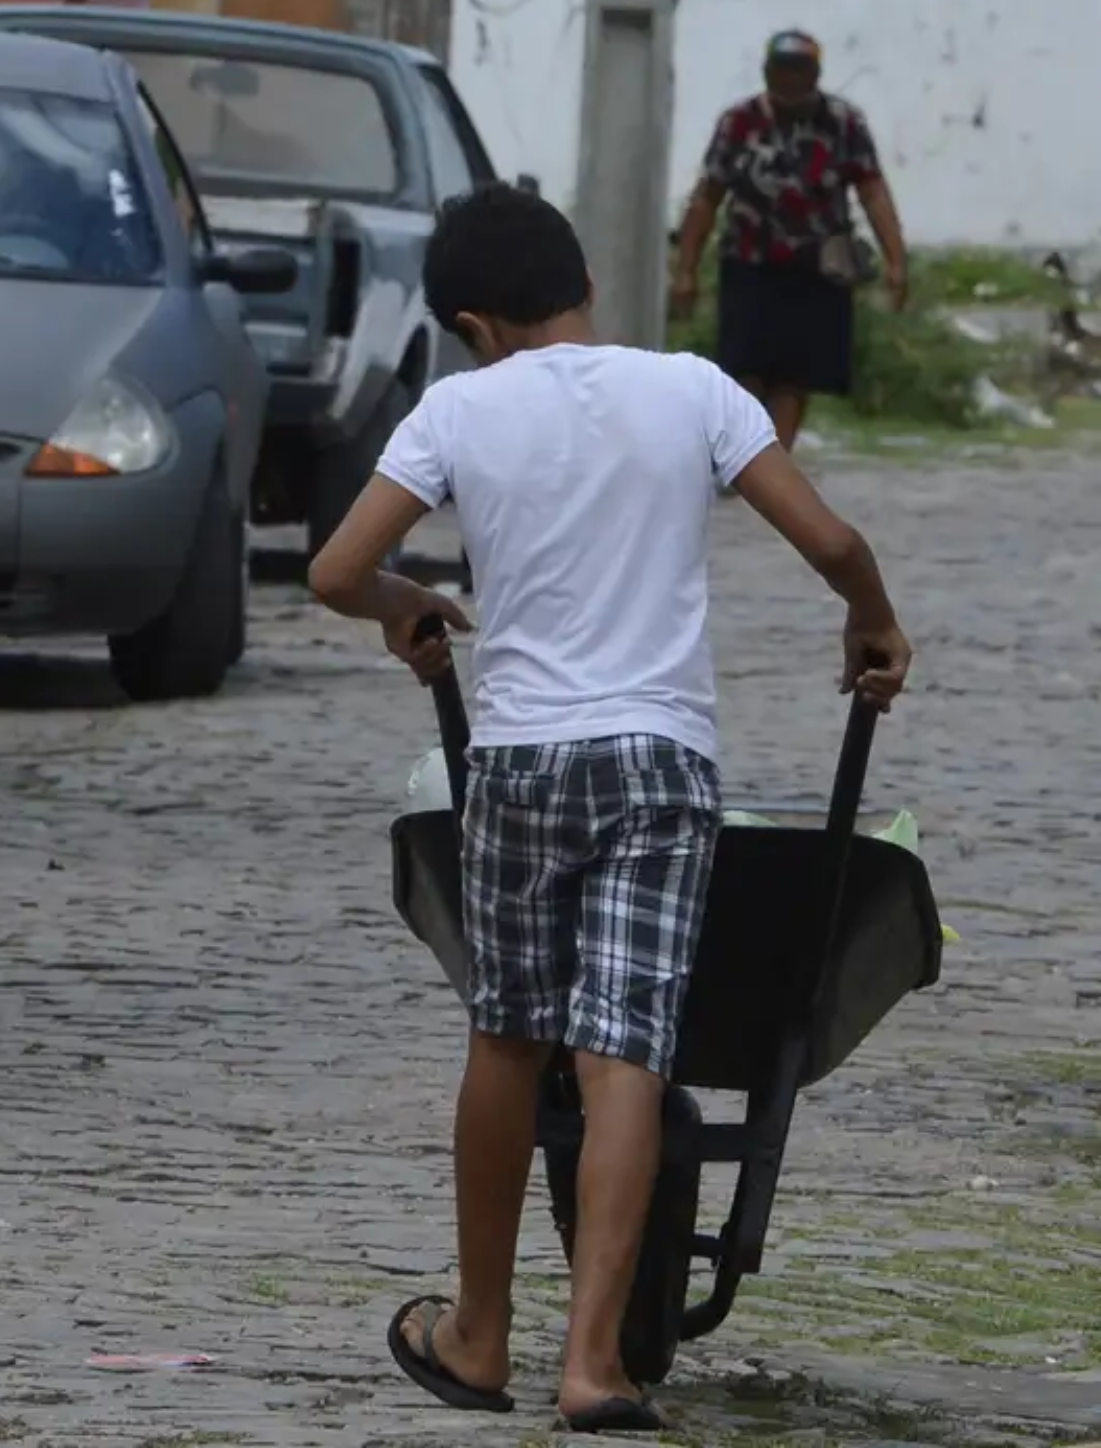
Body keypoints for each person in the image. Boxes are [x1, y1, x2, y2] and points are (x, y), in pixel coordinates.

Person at [308, 181, 911, 1432]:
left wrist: (405, 609)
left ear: (475, 320)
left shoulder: (458, 409)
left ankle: (478, 1334)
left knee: (508, 1038)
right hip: (660, 759)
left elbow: (336, 569)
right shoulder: (694, 389)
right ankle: (595, 1365)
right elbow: (834, 538)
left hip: (524, 757)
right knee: (625, 1046)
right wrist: (873, 619)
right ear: (582, 285)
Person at [670, 29, 909, 452]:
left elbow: (872, 190)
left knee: (797, 375)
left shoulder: (843, 123)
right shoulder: (739, 122)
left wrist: (896, 261)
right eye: (782, 69)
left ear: (815, 74)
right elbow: (708, 196)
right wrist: (686, 268)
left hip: (817, 266)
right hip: (749, 261)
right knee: (745, 367)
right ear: (767, 72)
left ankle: (772, 461)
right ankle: (739, 452)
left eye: (800, 70)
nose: (790, 79)